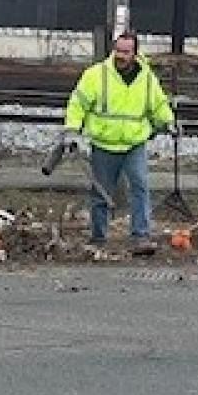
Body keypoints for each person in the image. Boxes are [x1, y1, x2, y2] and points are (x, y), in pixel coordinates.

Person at [64, 31, 176, 252]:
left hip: (134, 144)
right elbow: (78, 103)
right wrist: (71, 130)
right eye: (118, 50)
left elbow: (159, 104)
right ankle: (98, 237)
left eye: (126, 52)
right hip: (104, 144)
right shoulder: (96, 75)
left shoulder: (147, 78)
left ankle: (140, 236)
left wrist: (169, 122)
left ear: (135, 54)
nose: (120, 55)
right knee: (101, 193)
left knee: (140, 187)